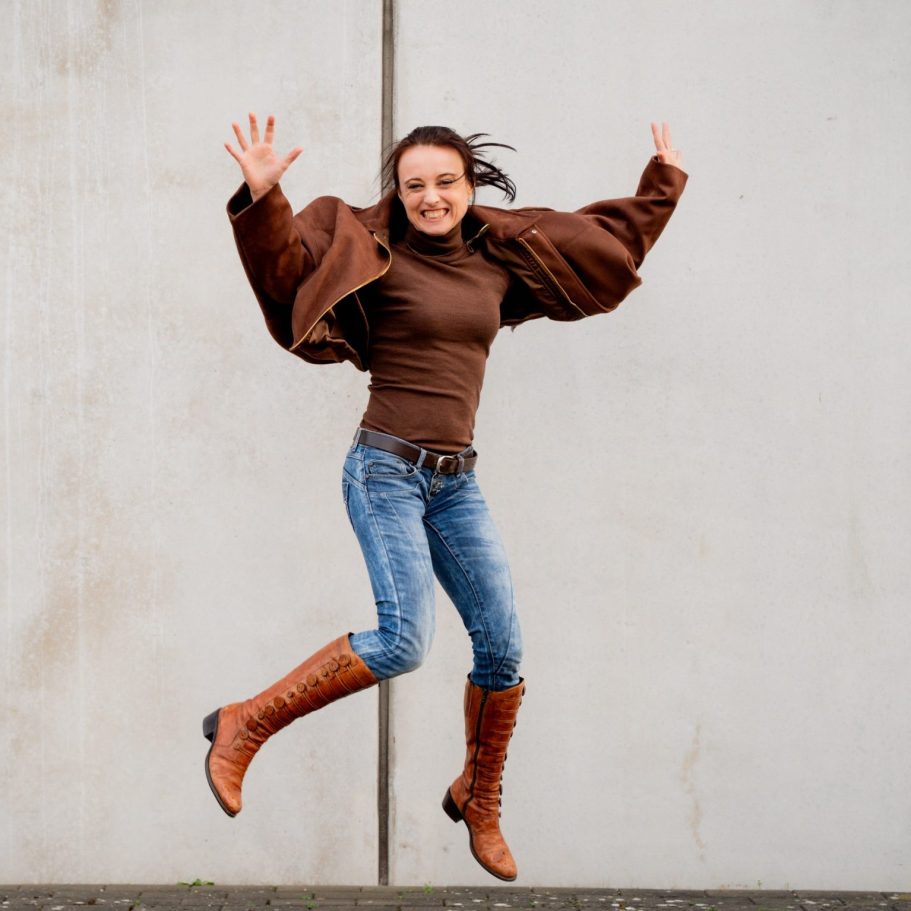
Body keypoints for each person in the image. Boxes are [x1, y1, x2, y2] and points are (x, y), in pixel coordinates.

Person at [204, 115, 687, 881]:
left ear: (470, 185)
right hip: (384, 470)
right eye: (414, 184)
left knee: (502, 648)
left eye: (445, 182)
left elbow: (603, 250)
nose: (430, 197)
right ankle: (243, 725)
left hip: (455, 480)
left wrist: (658, 186)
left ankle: (477, 793)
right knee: (404, 640)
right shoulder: (371, 252)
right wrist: (263, 198)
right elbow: (287, 270)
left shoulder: (499, 261)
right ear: (397, 193)